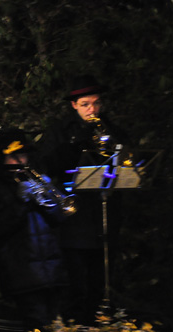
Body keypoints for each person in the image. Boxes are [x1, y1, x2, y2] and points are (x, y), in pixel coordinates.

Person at [36, 75, 131, 325]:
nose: (93, 109)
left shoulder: (110, 128)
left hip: (103, 212)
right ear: (74, 105)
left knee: (100, 276)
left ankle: (96, 318)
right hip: (74, 216)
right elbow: (46, 167)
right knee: (75, 278)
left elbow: (128, 161)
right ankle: (73, 321)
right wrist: (75, 143)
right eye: (86, 104)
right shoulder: (60, 130)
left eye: (97, 103)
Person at [0, 129, 68, 331]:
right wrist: (21, 201)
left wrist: (50, 197)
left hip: (53, 271)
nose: (21, 160)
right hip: (23, 274)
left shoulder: (36, 180)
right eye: (14, 156)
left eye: (23, 155)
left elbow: (59, 218)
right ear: (3, 158)